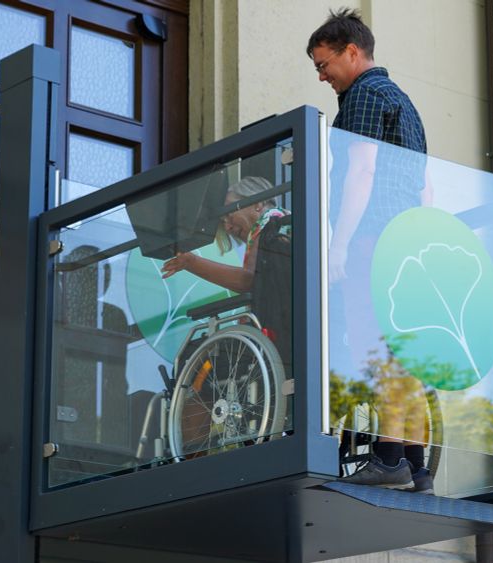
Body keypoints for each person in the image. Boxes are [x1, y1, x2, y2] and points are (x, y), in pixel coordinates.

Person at [308, 7, 433, 493]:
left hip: (373, 238)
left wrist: (339, 245)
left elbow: (360, 172)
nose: (322, 76)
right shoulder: (405, 102)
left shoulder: (362, 96)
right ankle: (417, 466)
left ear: (352, 52)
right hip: (409, 239)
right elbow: (425, 186)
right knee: (404, 352)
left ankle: (387, 457)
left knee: (373, 347)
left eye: (324, 64)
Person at [160, 176, 288, 293]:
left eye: (229, 214)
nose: (227, 228)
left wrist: (191, 262)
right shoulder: (282, 226)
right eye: (223, 222)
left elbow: (247, 280)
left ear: (257, 204)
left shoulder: (272, 226)